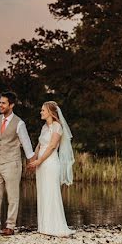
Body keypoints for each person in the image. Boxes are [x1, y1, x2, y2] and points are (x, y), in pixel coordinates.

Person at [0, 92, 35, 236]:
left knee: (12, 196)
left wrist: (32, 162)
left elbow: (26, 144)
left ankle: (10, 226)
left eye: (3, 103)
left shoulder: (19, 123)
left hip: (12, 164)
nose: (0, 105)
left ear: (11, 105)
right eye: (0, 102)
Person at [27, 101, 74, 236]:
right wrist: (33, 160)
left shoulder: (57, 127)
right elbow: (40, 145)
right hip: (41, 164)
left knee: (51, 192)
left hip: (50, 163)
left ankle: (55, 226)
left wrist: (40, 160)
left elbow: (52, 146)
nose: (41, 112)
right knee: (42, 192)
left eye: (43, 110)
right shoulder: (44, 128)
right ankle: (44, 226)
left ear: (51, 112)